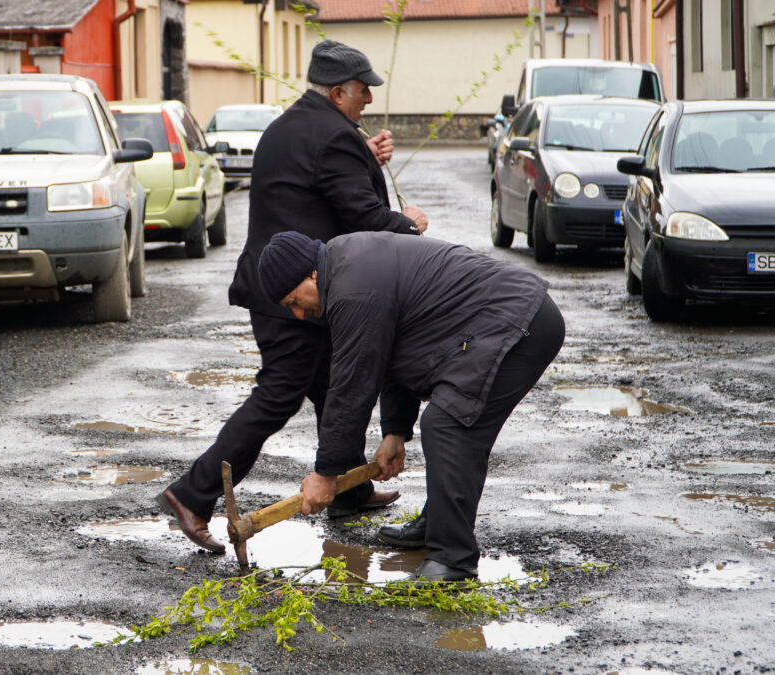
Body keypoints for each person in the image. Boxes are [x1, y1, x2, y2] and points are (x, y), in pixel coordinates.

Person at [157, 39, 430, 553]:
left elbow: (313, 184)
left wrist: (363, 158)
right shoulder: (333, 138)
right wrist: (408, 224)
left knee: (330, 386)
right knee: (280, 393)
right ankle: (192, 495)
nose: (368, 99)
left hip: (281, 282)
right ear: (336, 91)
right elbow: (363, 217)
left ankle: (349, 489)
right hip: (293, 293)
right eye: (362, 91)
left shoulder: (295, 125)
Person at [257, 230, 565, 582]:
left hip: (518, 322)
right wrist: (394, 432)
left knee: (448, 425)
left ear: (310, 274)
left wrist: (326, 474)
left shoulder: (353, 289)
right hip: (509, 317)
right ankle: (439, 524)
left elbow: (351, 386)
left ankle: (452, 559)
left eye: (294, 300)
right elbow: (389, 354)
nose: (298, 313)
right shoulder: (348, 267)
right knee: (449, 423)